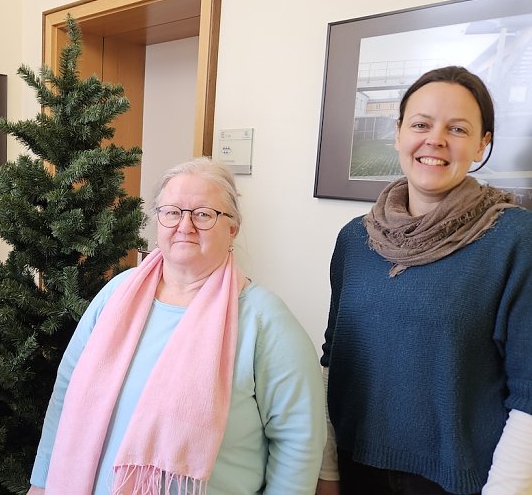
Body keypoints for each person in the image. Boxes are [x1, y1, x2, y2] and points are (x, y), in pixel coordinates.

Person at [28, 158, 325, 495]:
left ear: (232, 228)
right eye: (171, 212)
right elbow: (66, 392)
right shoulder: (117, 293)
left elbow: (298, 440)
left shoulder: (265, 320)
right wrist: (42, 482)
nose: (185, 226)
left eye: (203, 214)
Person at [318, 66, 532, 495]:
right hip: (356, 468)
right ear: (398, 134)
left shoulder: (514, 239)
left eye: (457, 128)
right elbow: (334, 361)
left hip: (463, 482)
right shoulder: (355, 240)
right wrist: (327, 470)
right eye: (421, 124)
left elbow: (528, 393)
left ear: (482, 143)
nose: (435, 139)